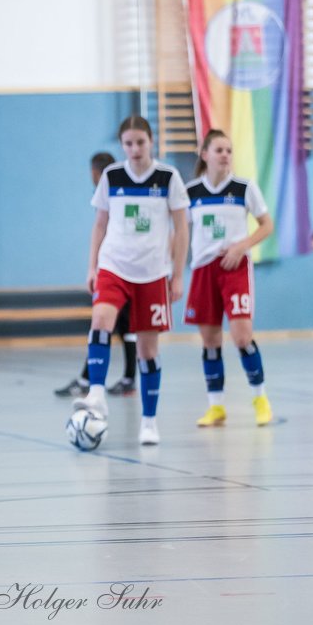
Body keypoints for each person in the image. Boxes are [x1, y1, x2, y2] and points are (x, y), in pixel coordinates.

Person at [73, 116, 189, 445]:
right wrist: (92, 266)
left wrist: (177, 274)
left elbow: (182, 229)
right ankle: (96, 393)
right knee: (101, 320)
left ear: (151, 142)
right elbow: (99, 224)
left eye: (140, 142)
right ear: (122, 146)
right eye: (128, 143)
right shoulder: (112, 176)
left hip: (152, 273)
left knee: (147, 349)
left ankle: (149, 422)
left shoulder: (169, 177)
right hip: (114, 265)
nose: (135, 149)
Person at [184, 130, 275, 428]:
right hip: (202, 269)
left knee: (242, 336)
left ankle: (261, 399)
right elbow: (180, 231)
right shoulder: (191, 191)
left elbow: (266, 224)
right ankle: (216, 407)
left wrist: (241, 246)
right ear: (205, 154)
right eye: (219, 150)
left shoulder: (244, 187)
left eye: (229, 150)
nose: (225, 155)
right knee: (210, 341)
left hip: (234, 268)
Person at [55, 152, 137, 397]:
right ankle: (126, 379)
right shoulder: (115, 194)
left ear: (96, 173)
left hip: (121, 269)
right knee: (123, 326)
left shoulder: (116, 195)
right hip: (119, 267)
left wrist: (99, 266)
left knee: (107, 325)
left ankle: (89, 380)